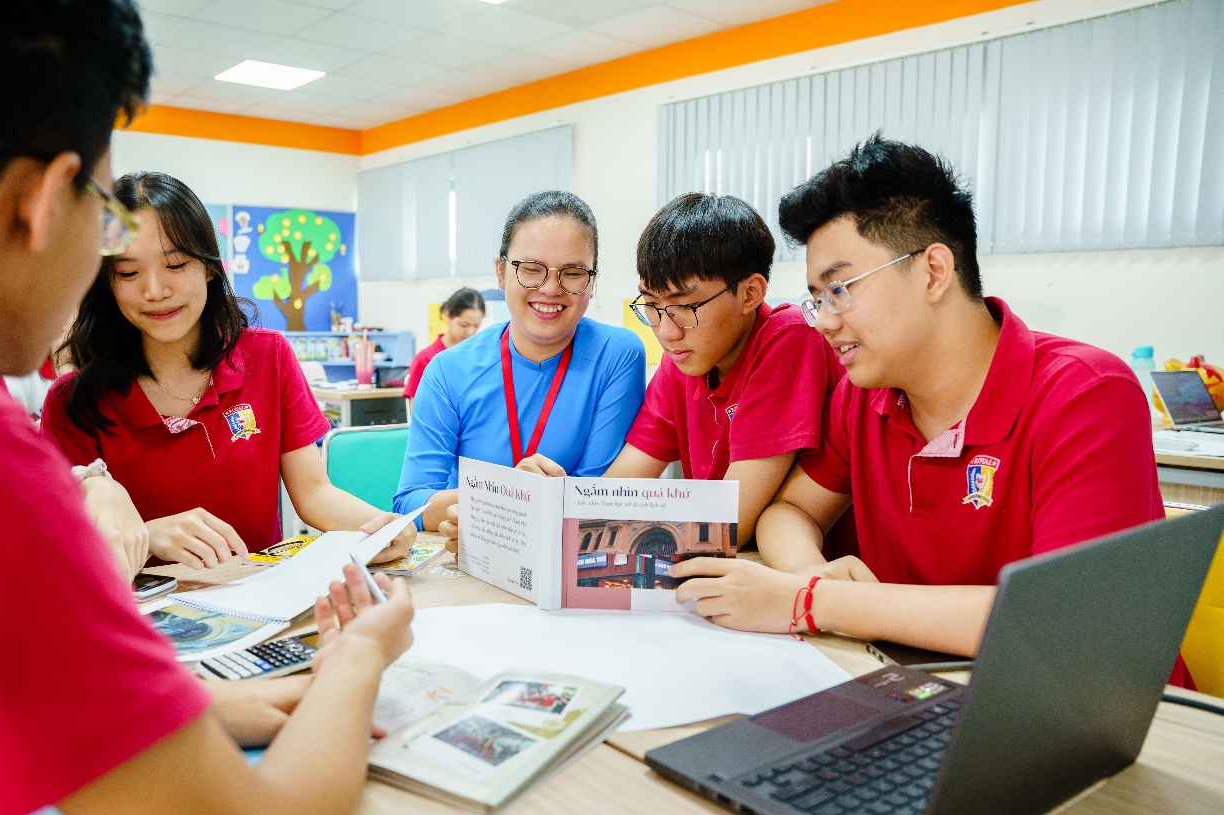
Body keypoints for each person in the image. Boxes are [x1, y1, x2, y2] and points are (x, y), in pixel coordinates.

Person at [0, 4, 414, 815]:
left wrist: (178, 717)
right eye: (109, 226)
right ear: (46, 196)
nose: (149, 284)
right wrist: (358, 656)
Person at [671, 136, 1178, 678]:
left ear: (934, 272)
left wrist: (814, 603)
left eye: (839, 289)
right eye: (816, 298)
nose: (822, 320)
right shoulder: (863, 398)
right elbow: (789, 511)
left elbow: (1065, 622)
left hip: (1087, 707)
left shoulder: (1085, 393)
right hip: (914, 686)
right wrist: (806, 574)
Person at [42, 171, 414, 570]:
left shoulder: (266, 356)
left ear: (208, 267)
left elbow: (314, 494)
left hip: (266, 605)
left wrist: (381, 528)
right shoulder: (74, 402)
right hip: (144, 619)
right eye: (128, 273)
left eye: (175, 264)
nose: (154, 290)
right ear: (106, 283)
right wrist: (148, 535)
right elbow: (57, 548)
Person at [394, 191, 646, 535]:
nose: (550, 288)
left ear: (592, 281)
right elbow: (411, 503)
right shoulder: (447, 370)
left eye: (572, 273)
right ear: (501, 273)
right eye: (530, 269)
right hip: (471, 563)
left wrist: (497, 504)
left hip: (569, 558)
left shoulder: (617, 355)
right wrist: (507, 498)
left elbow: (598, 497)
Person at [602, 193, 841, 545]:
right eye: (651, 305)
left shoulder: (790, 338)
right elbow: (615, 495)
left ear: (750, 293)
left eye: (685, 306)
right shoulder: (681, 359)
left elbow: (727, 526)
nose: (666, 332)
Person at [403, 286, 485, 400]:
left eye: (476, 326)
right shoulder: (425, 359)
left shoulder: (480, 357)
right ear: (448, 316)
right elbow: (416, 410)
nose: (470, 332)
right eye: (464, 325)